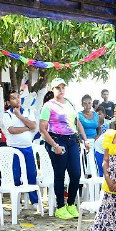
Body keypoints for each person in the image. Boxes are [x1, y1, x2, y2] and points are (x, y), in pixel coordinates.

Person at [39, 78, 90, 220]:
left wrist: (85, 139)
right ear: (52, 89)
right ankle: (60, 206)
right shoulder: (48, 106)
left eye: (63, 87)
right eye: (58, 88)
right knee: (59, 174)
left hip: (72, 139)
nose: (61, 90)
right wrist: (54, 145)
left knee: (76, 174)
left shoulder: (69, 103)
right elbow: (42, 129)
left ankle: (71, 204)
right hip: (57, 139)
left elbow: (77, 122)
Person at [0, 90, 40, 207]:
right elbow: (12, 130)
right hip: (14, 149)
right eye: (13, 98)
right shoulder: (6, 115)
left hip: (27, 148)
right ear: (8, 102)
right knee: (16, 175)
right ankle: (17, 200)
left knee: (31, 174)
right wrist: (27, 128)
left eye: (18, 97)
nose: (17, 100)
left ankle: (34, 201)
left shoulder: (28, 111)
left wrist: (20, 116)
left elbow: (33, 126)